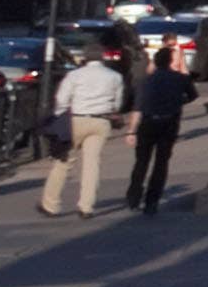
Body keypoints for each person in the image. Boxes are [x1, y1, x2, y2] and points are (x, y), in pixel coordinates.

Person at [40, 35, 124, 218]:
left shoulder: (74, 75)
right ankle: (86, 206)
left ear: (85, 57)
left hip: (76, 120)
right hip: (101, 121)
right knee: (92, 164)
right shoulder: (115, 77)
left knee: (63, 162)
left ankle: (51, 205)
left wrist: (59, 116)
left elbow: (62, 100)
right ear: (102, 57)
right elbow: (116, 104)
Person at [123, 40, 198, 215]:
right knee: (161, 163)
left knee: (141, 161)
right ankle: (152, 200)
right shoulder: (180, 79)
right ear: (170, 62)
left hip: (148, 122)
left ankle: (134, 195)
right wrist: (179, 101)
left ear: (155, 62)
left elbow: (138, 107)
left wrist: (131, 130)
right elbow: (193, 95)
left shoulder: (146, 81)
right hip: (169, 122)